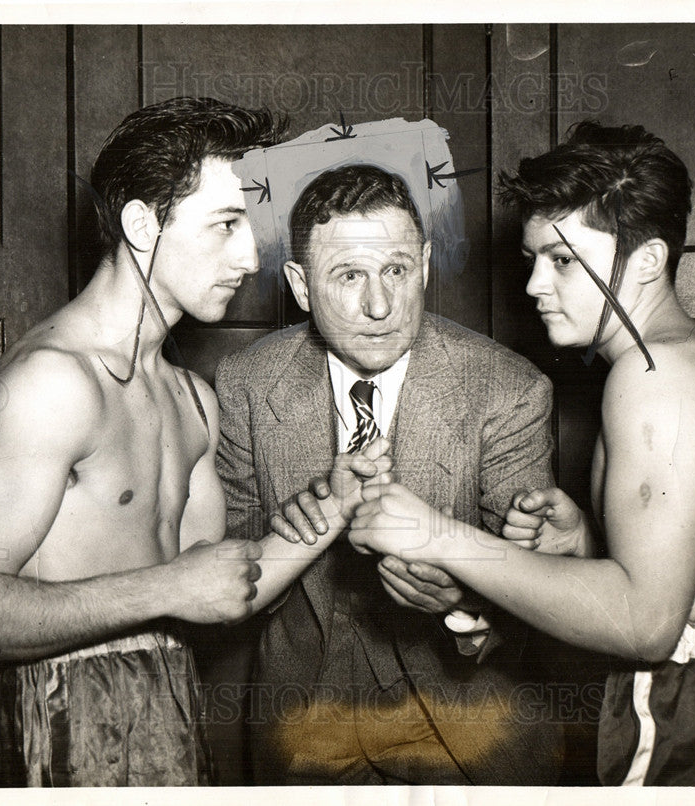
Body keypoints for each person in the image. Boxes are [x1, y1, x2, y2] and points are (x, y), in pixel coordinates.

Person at [348, 122, 695, 786]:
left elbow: (646, 627)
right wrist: (586, 546)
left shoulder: (651, 374)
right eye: (532, 261)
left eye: (562, 261)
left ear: (647, 261)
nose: (533, 287)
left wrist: (437, 535)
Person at [0, 97, 390, 787]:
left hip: (171, 714)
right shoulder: (50, 384)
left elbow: (217, 586)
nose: (251, 253)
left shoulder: (191, 400)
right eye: (227, 224)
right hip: (62, 731)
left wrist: (333, 509)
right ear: (141, 223)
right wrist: (169, 587)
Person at [215, 163, 563, 785]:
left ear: (425, 265)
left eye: (396, 271)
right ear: (299, 284)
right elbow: (227, 577)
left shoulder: (508, 389)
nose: (379, 306)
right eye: (348, 275)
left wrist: (465, 603)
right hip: (304, 744)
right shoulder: (245, 385)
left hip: (467, 744)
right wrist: (298, 522)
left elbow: (544, 584)